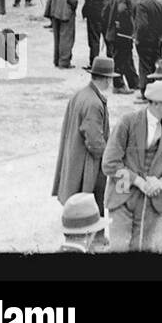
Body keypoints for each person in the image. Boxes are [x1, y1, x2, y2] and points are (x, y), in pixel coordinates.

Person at [101, 77, 162, 252]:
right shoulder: (128, 121)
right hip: (122, 193)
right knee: (119, 248)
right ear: (155, 104)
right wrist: (139, 182)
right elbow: (109, 164)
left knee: (142, 248)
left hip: (151, 198)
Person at [52, 56, 113, 216]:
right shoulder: (94, 103)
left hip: (75, 158)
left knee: (79, 203)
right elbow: (94, 142)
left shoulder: (81, 94)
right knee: (93, 203)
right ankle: (96, 238)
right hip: (89, 164)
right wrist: (109, 157)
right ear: (106, 79)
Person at [103, 0, 139, 93]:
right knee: (120, 60)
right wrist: (126, 28)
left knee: (127, 59)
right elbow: (122, 11)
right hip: (122, 35)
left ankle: (134, 82)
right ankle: (118, 86)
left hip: (113, 34)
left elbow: (105, 12)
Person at [83, 0, 122, 65]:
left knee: (94, 39)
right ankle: (111, 61)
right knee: (110, 38)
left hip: (95, 14)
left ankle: (94, 63)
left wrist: (88, 9)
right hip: (110, 14)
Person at [47, 0, 81, 69]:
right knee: (67, 37)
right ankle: (64, 62)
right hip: (66, 11)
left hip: (54, 10)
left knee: (56, 36)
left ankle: (56, 60)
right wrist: (73, 8)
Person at [134, 0, 162, 94]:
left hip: (145, 41)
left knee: (144, 67)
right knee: (154, 66)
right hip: (156, 40)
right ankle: (154, 92)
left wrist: (137, 38)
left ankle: (145, 93)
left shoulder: (141, 5)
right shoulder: (158, 4)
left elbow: (142, 25)